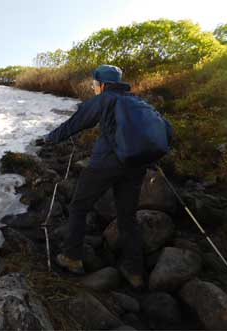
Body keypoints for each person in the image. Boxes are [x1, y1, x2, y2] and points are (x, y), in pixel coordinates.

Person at [42, 64, 169, 288]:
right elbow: (167, 131)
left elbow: (77, 122)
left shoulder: (106, 99)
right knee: (127, 217)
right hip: (135, 165)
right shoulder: (139, 102)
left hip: (105, 164)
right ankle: (134, 271)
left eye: (94, 84)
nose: (93, 88)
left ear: (103, 84)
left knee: (79, 207)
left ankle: (72, 257)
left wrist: (50, 139)